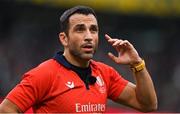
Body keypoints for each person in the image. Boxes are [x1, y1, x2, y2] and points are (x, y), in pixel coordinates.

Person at [0, 5, 157, 113]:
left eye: (93, 30)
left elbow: (148, 104)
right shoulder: (44, 74)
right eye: (80, 29)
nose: (88, 36)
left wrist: (137, 64)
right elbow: (6, 109)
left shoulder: (105, 74)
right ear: (64, 39)